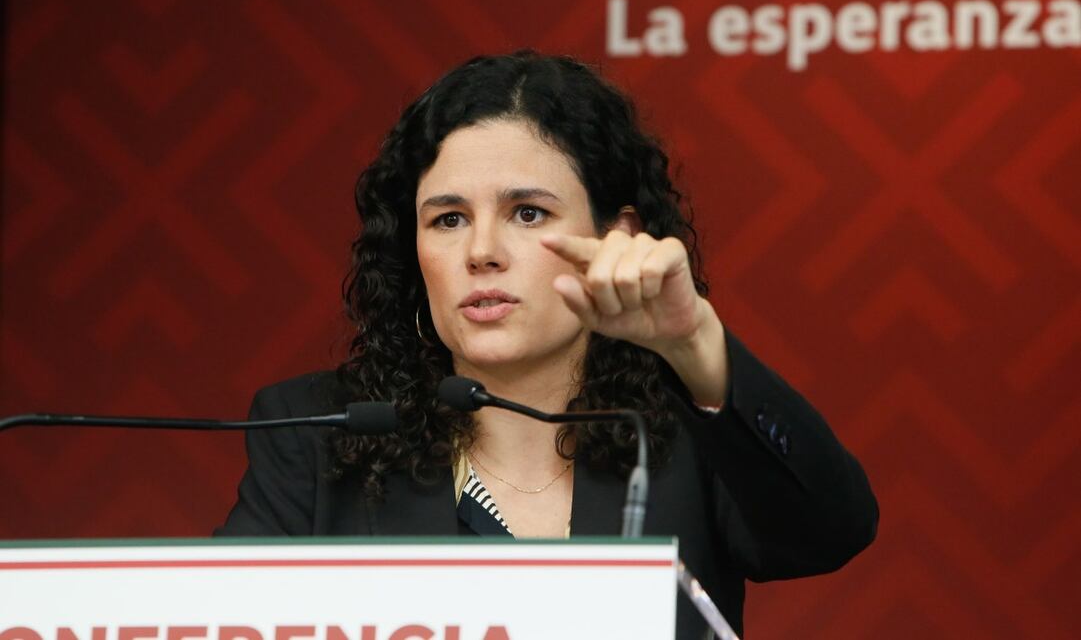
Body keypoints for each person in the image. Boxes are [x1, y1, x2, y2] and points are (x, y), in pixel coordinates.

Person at [216, 50, 878, 638]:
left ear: (614, 237)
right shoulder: (315, 433)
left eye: (526, 213)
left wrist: (695, 344)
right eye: (448, 219)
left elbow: (828, 533)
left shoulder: (689, 433)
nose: (480, 253)